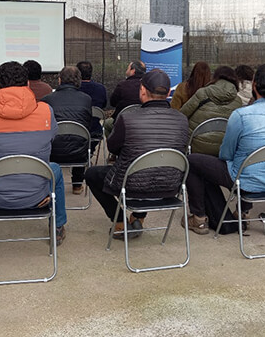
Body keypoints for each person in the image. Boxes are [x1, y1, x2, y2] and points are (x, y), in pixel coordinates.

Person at [184, 64, 265, 235]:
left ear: (254, 85)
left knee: (191, 161)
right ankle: (242, 213)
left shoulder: (242, 115)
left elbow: (226, 154)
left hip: (242, 179)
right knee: (248, 162)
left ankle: (199, 218)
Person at [0, 61, 67, 248]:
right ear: (28, 84)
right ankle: (58, 226)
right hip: (37, 194)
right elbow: (51, 138)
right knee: (55, 169)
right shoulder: (46, 111)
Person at [85, 69, 189, 238]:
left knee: (92, 174)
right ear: (169, 92)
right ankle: (138, 218)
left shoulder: (128, 118)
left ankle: (119, 221)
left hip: (132, 186)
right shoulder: (182, 119)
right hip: (170, 186)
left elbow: (112, 147)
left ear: (142, 91)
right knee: (151, 170)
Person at [41, 66, 93, 195]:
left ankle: (49, 185)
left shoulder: (47, 100)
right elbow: (88, 125)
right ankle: (77, 185)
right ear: (79, 80)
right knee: (80, 139)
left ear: (59, 80)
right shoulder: (86, 99)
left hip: (52, 152)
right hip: (80, 153)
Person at [180, 66, 242, 156]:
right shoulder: (238, 101)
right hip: (223, 149)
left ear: (215, 77)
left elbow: (182, 115)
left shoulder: (202, 93)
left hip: (196, 147)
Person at [104, 60, 146, 137]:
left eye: (128, 68)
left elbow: (113, 102)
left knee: (107, 124)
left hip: (122, 123)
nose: (126, 70)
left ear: (133, 71)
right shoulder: (148, 86)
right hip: (143, 123)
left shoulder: (122, 85)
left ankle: (113, 146)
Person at [76, 60, 107, 139]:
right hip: (95, 131)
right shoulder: (100, 89)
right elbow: (103, 105)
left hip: (75, 132)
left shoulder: (73, 90)